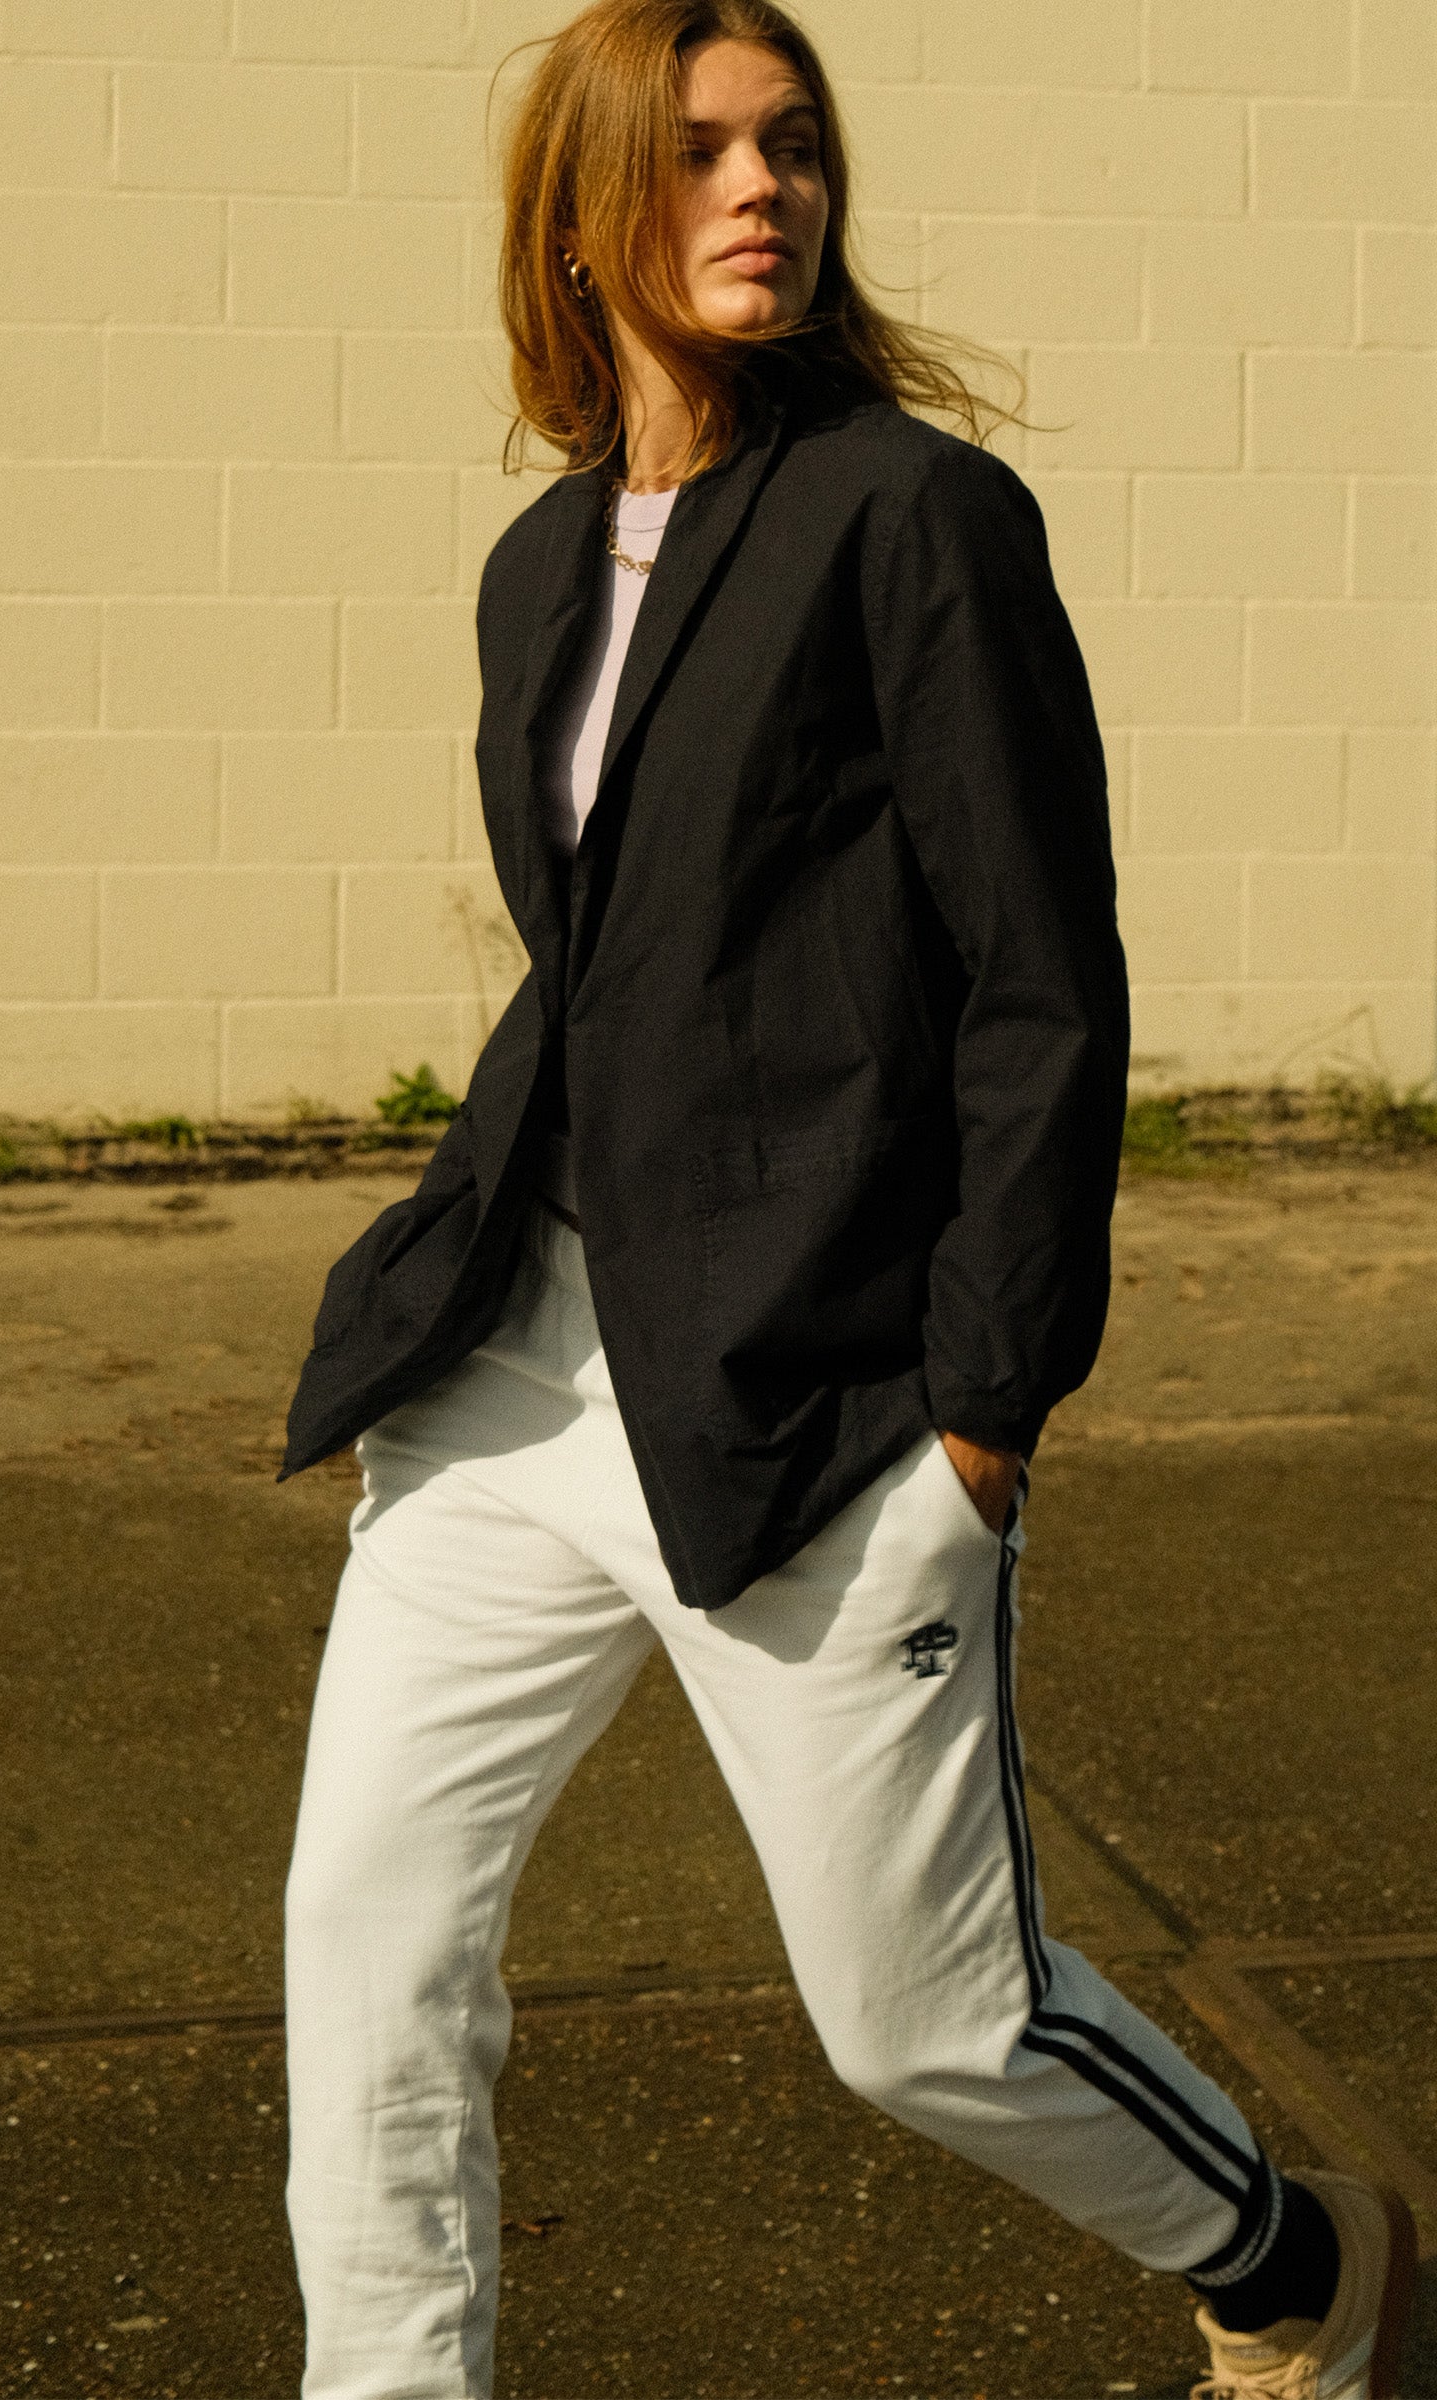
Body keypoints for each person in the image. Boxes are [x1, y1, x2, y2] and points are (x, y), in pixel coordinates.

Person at [277, 4, 1417, 2394]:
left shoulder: (910, 519)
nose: (759, 190)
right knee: (368, 1940)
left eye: (789, 146)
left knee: (926, 2023)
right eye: (698, 152)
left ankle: (1294, 2273)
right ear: (580, 211)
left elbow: (1037, 984)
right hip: (514, 1367)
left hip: (811, 1390)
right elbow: (601, 975)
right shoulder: (535, 569)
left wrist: (983, 1406)